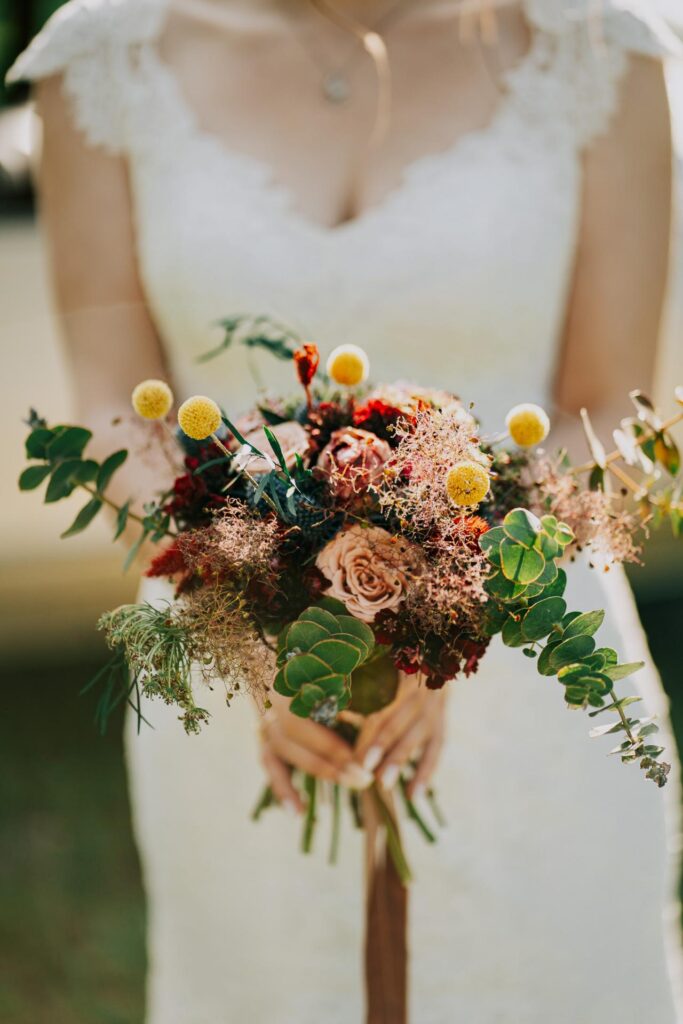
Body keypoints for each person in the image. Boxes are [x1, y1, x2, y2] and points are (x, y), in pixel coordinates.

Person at [8, 0, 683, 1020]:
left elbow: (600, 404)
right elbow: (111, 405)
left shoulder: (595, 50)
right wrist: (252, 607)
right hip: (231, 670)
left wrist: (455, 606)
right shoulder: (106, 59)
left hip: (538, 674)